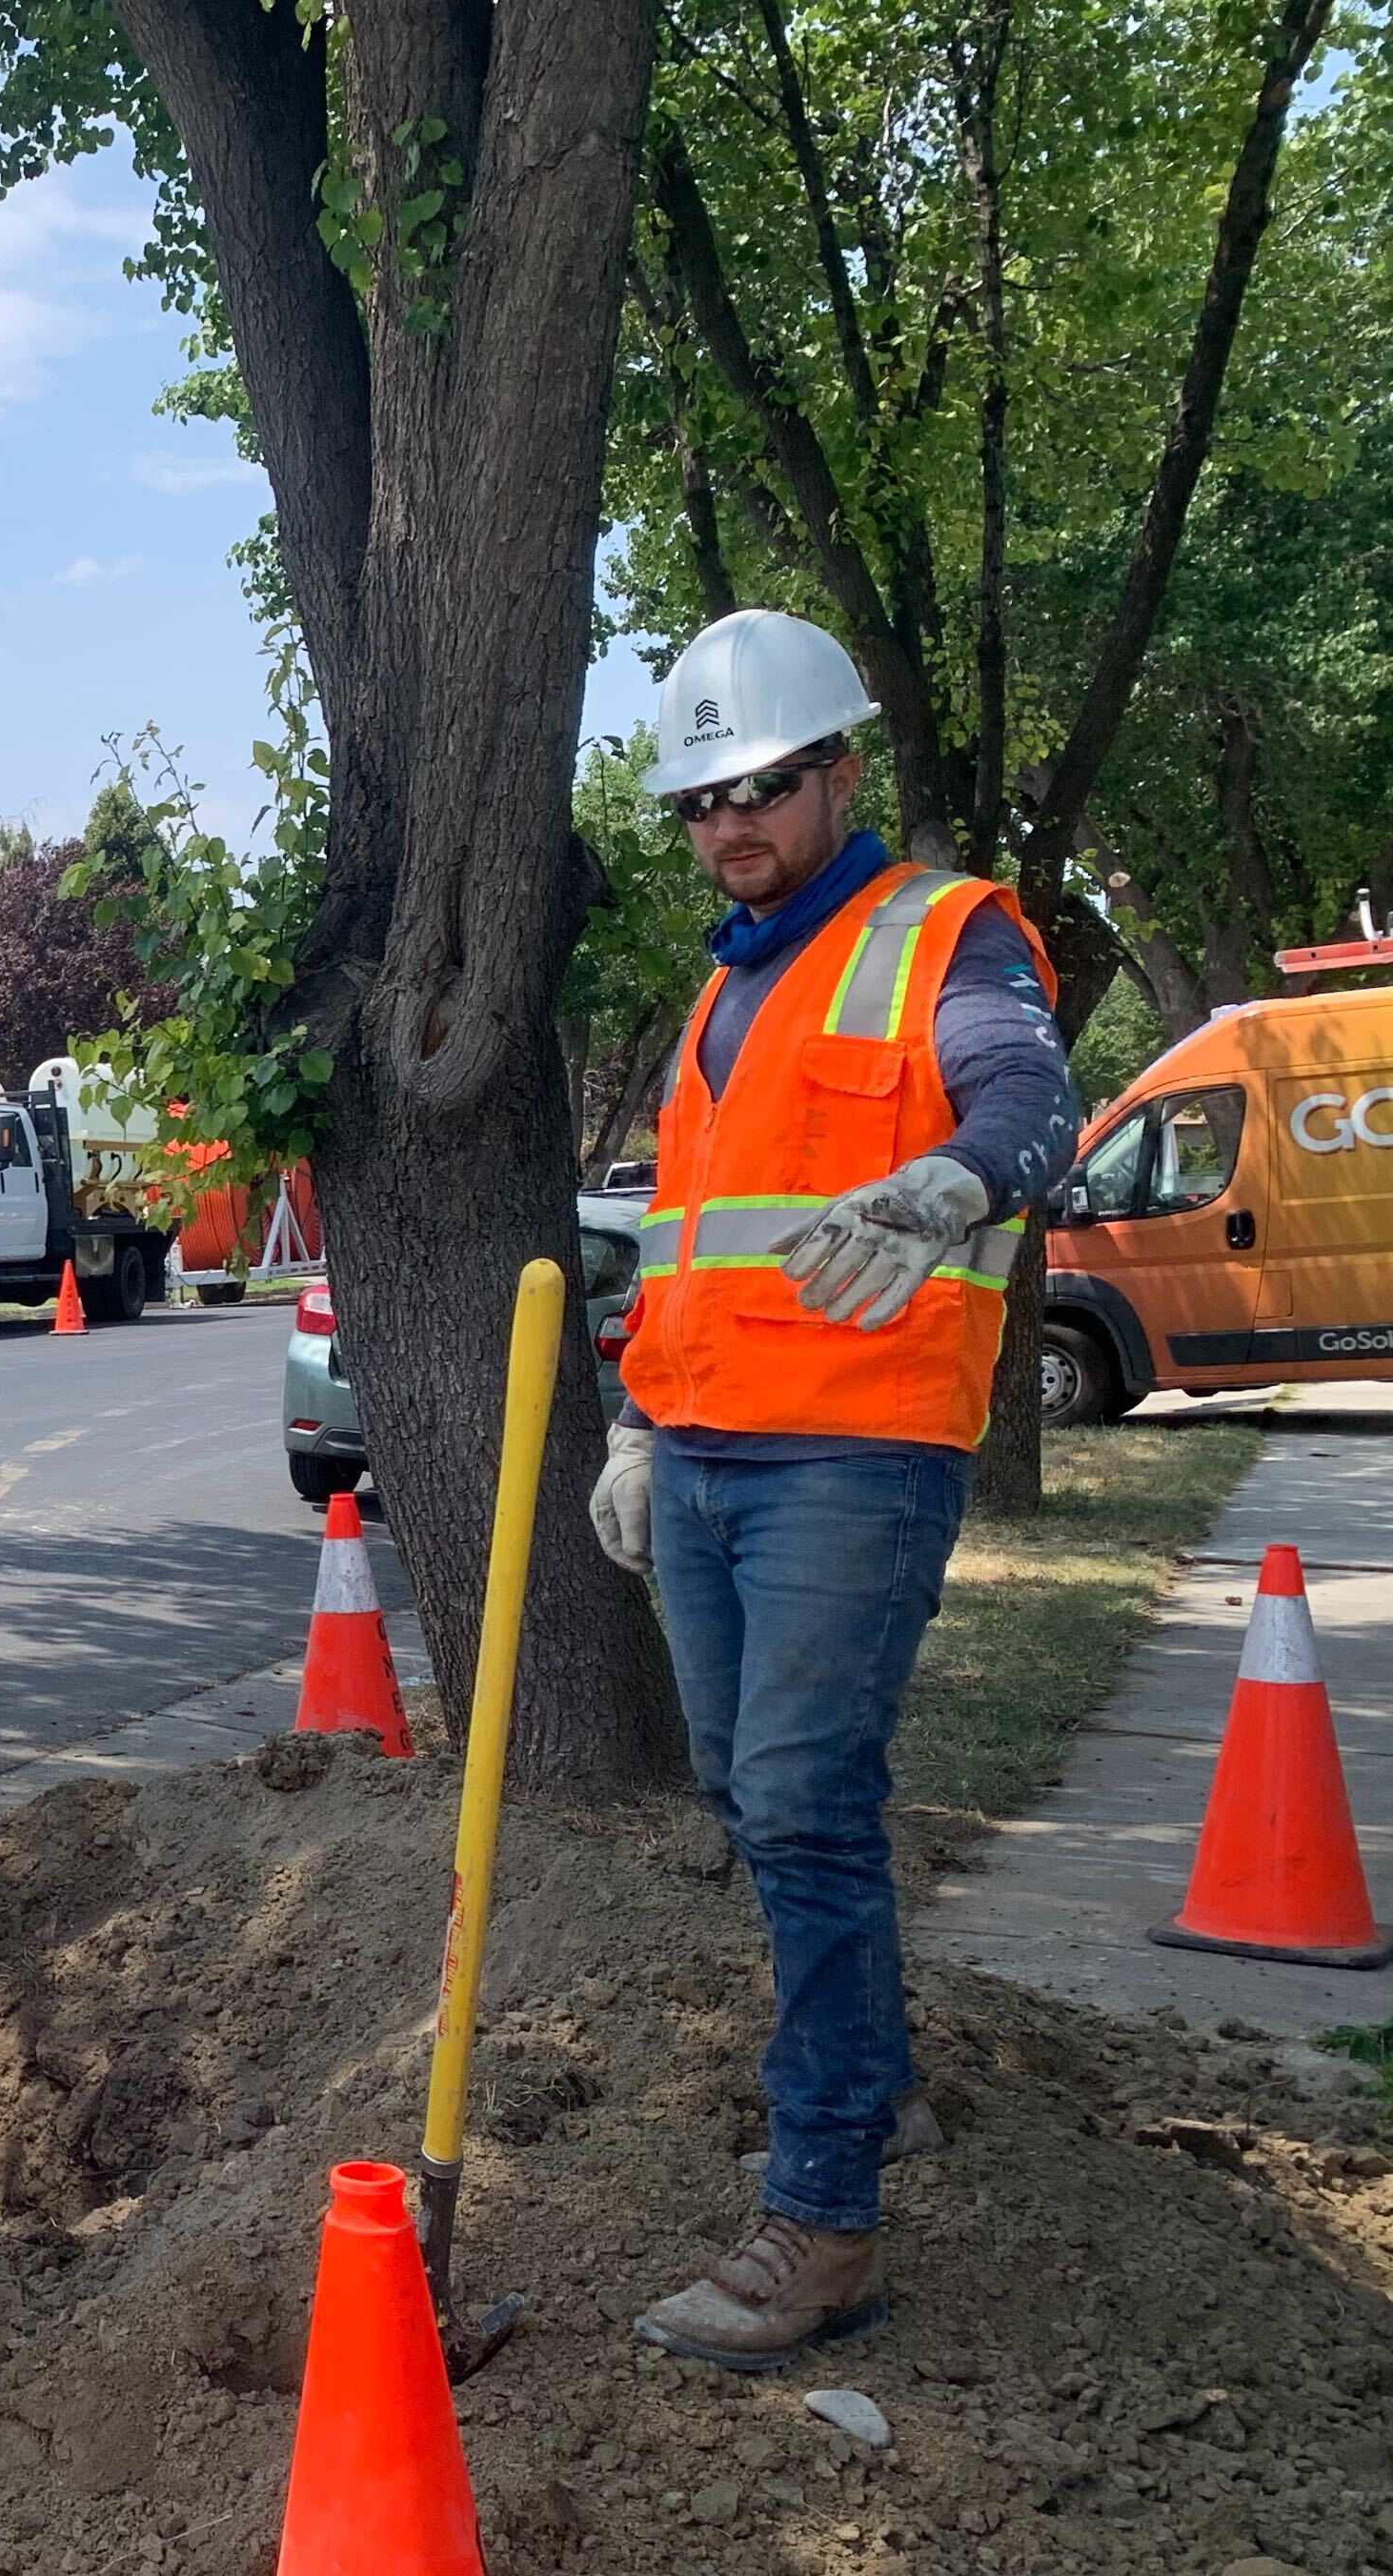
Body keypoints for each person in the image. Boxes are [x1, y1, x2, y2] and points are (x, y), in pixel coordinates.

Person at [597, 610, 1080, 2372]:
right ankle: (870, 2092)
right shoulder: (726, 990)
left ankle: (821, 2212)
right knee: (747, 1790)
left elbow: (1032, 1105)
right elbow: (682, 1241)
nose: (731, 823)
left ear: (841, 774)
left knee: (801, 1800)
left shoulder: (941, 934)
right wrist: (638, 1420)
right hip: (710, 1448)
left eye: (764, 786)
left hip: (855, 1451)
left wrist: (948, 1188)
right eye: (702, 800)